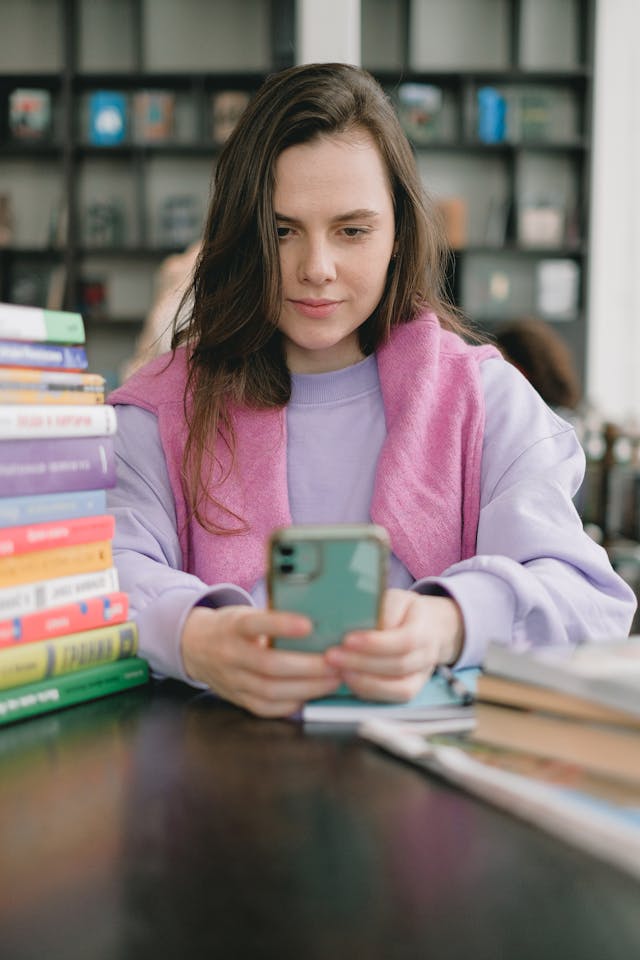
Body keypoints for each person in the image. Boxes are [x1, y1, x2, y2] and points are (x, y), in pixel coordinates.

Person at [107, 63, 636, 718]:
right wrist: (192, 635)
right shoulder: (158, 410)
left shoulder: (487, 399)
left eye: (352, 231)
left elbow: (590, 598)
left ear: (397, 235)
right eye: (281, 230)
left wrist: (449, 623)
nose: (316, 269)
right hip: (216, 782)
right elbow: (100, 574)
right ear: (242, 237)